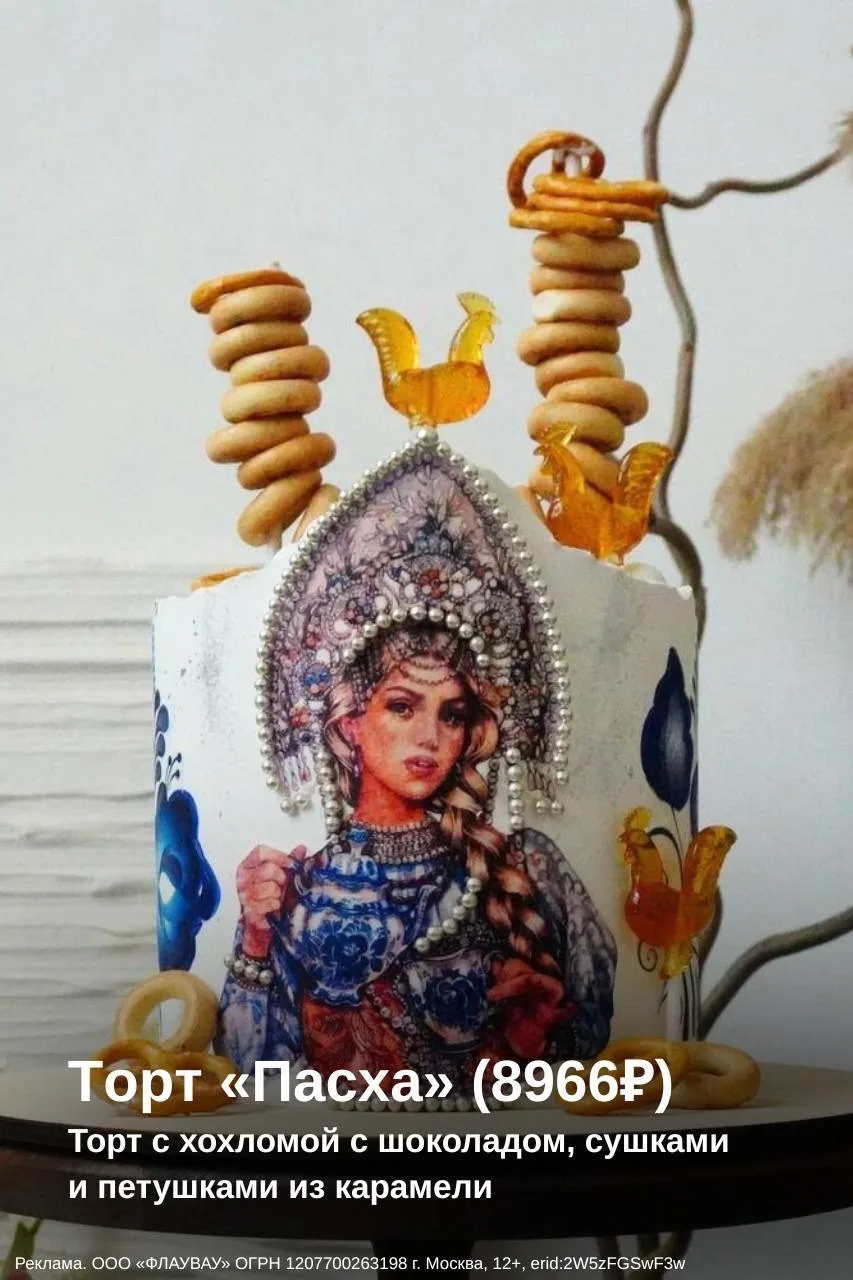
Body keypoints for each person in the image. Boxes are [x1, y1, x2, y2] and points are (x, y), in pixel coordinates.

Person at [217, 625, 616, 1092]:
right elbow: (247, 1074)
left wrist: (531, 1043)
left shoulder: (520, 868)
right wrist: (255, 939)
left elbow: (595, 1057)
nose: (429, 737)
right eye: (402, 707)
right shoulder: (299, 892)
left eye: (452, 715)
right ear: (350, 723)